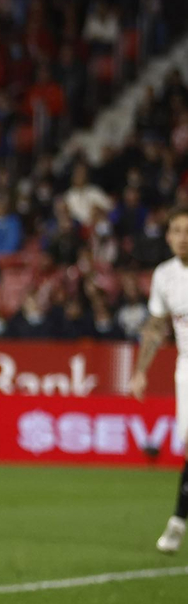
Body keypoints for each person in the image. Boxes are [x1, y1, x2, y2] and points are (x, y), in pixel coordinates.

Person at [129, 207, 188, 553]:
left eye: (187, 230)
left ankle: (177, 523)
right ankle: (179, 520)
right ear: (167, 237)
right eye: (177, 230)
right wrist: (140, 371)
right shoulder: (164, 276)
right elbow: (155, 328)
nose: (183, 236)